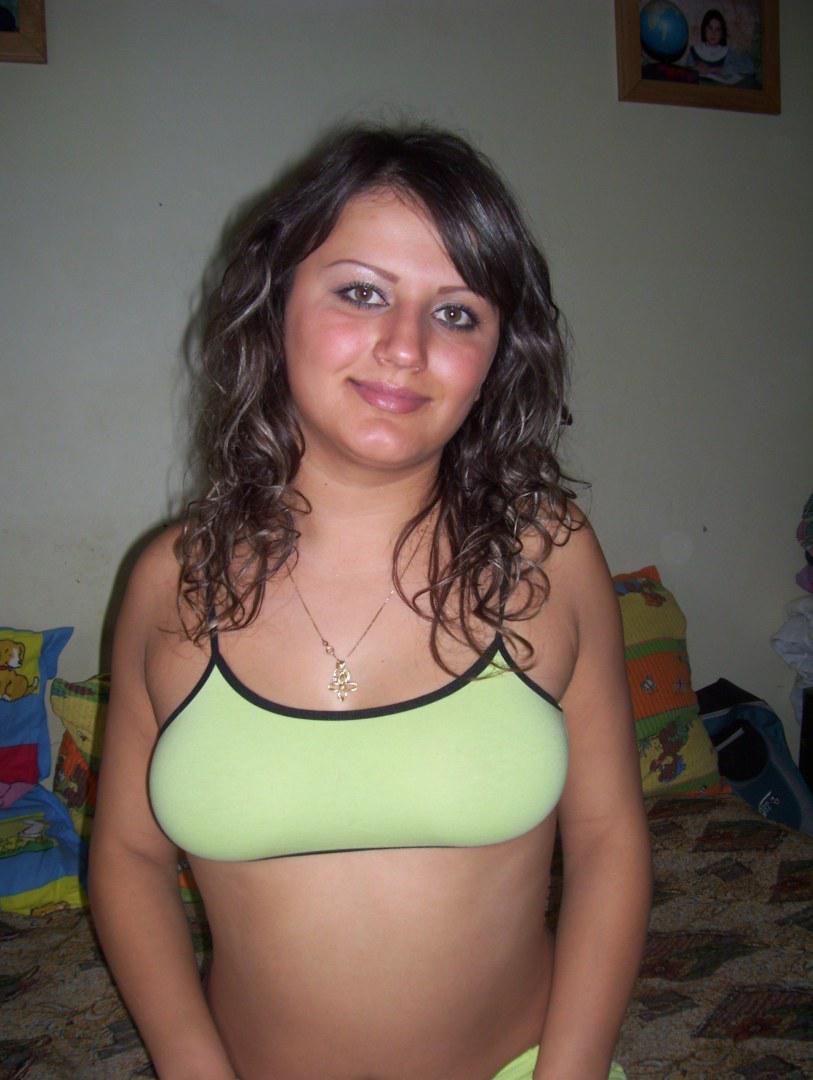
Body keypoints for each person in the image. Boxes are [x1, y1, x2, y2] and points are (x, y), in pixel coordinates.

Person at [89, 125, 652, 1080]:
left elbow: (606, 838)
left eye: (457, 313)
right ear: (276, 304)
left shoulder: (548, 558)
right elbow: (128, 858)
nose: (404, 348)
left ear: (497, 354)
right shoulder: (171, 582)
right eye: (361, 293)